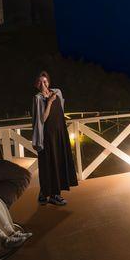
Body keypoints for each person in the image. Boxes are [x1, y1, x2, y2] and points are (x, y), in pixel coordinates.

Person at [31, 71, 78, 206]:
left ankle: (52, 194)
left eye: (45, 81)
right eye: (40, 82)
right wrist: (50, 102)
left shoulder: (57, 92)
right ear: (36, 84)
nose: (43, 84)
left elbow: (61, 110)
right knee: (47, 164)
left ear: (49, 82)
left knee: (59, 162)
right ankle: (47, 193)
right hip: (47, 136)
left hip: (59, 133)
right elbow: (42, 119)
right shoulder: (38, 98)